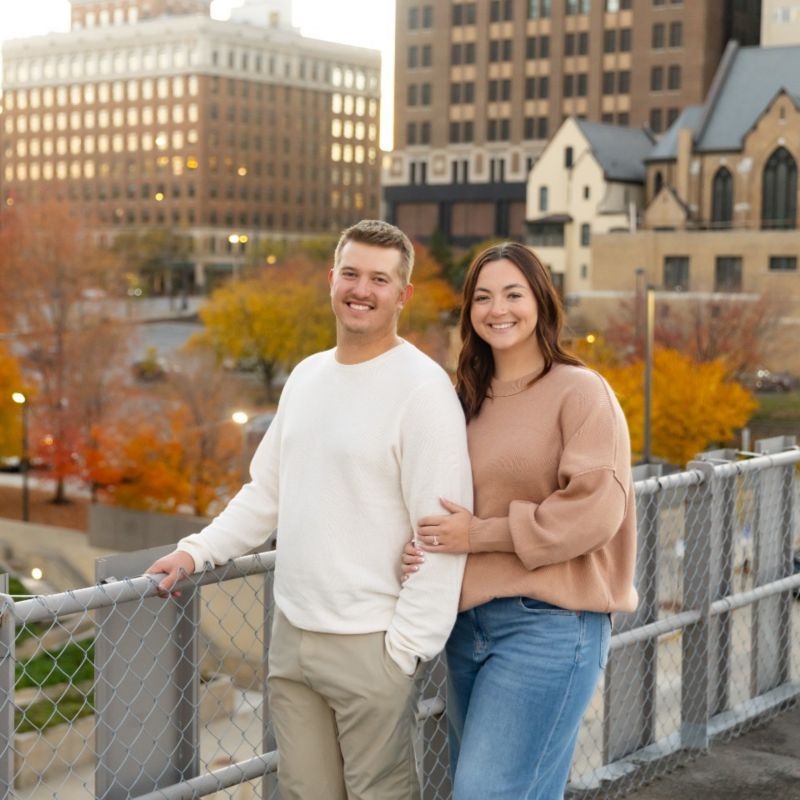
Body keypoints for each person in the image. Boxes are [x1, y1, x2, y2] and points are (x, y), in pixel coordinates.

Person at [147, 220, 473, 800]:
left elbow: (441, 531)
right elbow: (265, 493)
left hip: (373, 644)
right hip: (292, 639)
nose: (361, 290)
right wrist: (196, 552)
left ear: (404, 294)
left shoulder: (424, 389)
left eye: (379, 279)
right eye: (351, 274)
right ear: (331, 280)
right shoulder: (306, 376)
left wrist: (405, 652)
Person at [401, 242, 638, 800]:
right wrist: (418, 546)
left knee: (484, 793)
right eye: (482, 297)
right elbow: (433, 499)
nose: (498, 309)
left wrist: (479, 534)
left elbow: (594, 511)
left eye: (513, 294)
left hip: (550, 624)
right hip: (464, 626)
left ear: (541, 303)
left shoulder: (581, 392)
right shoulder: (462, 400)